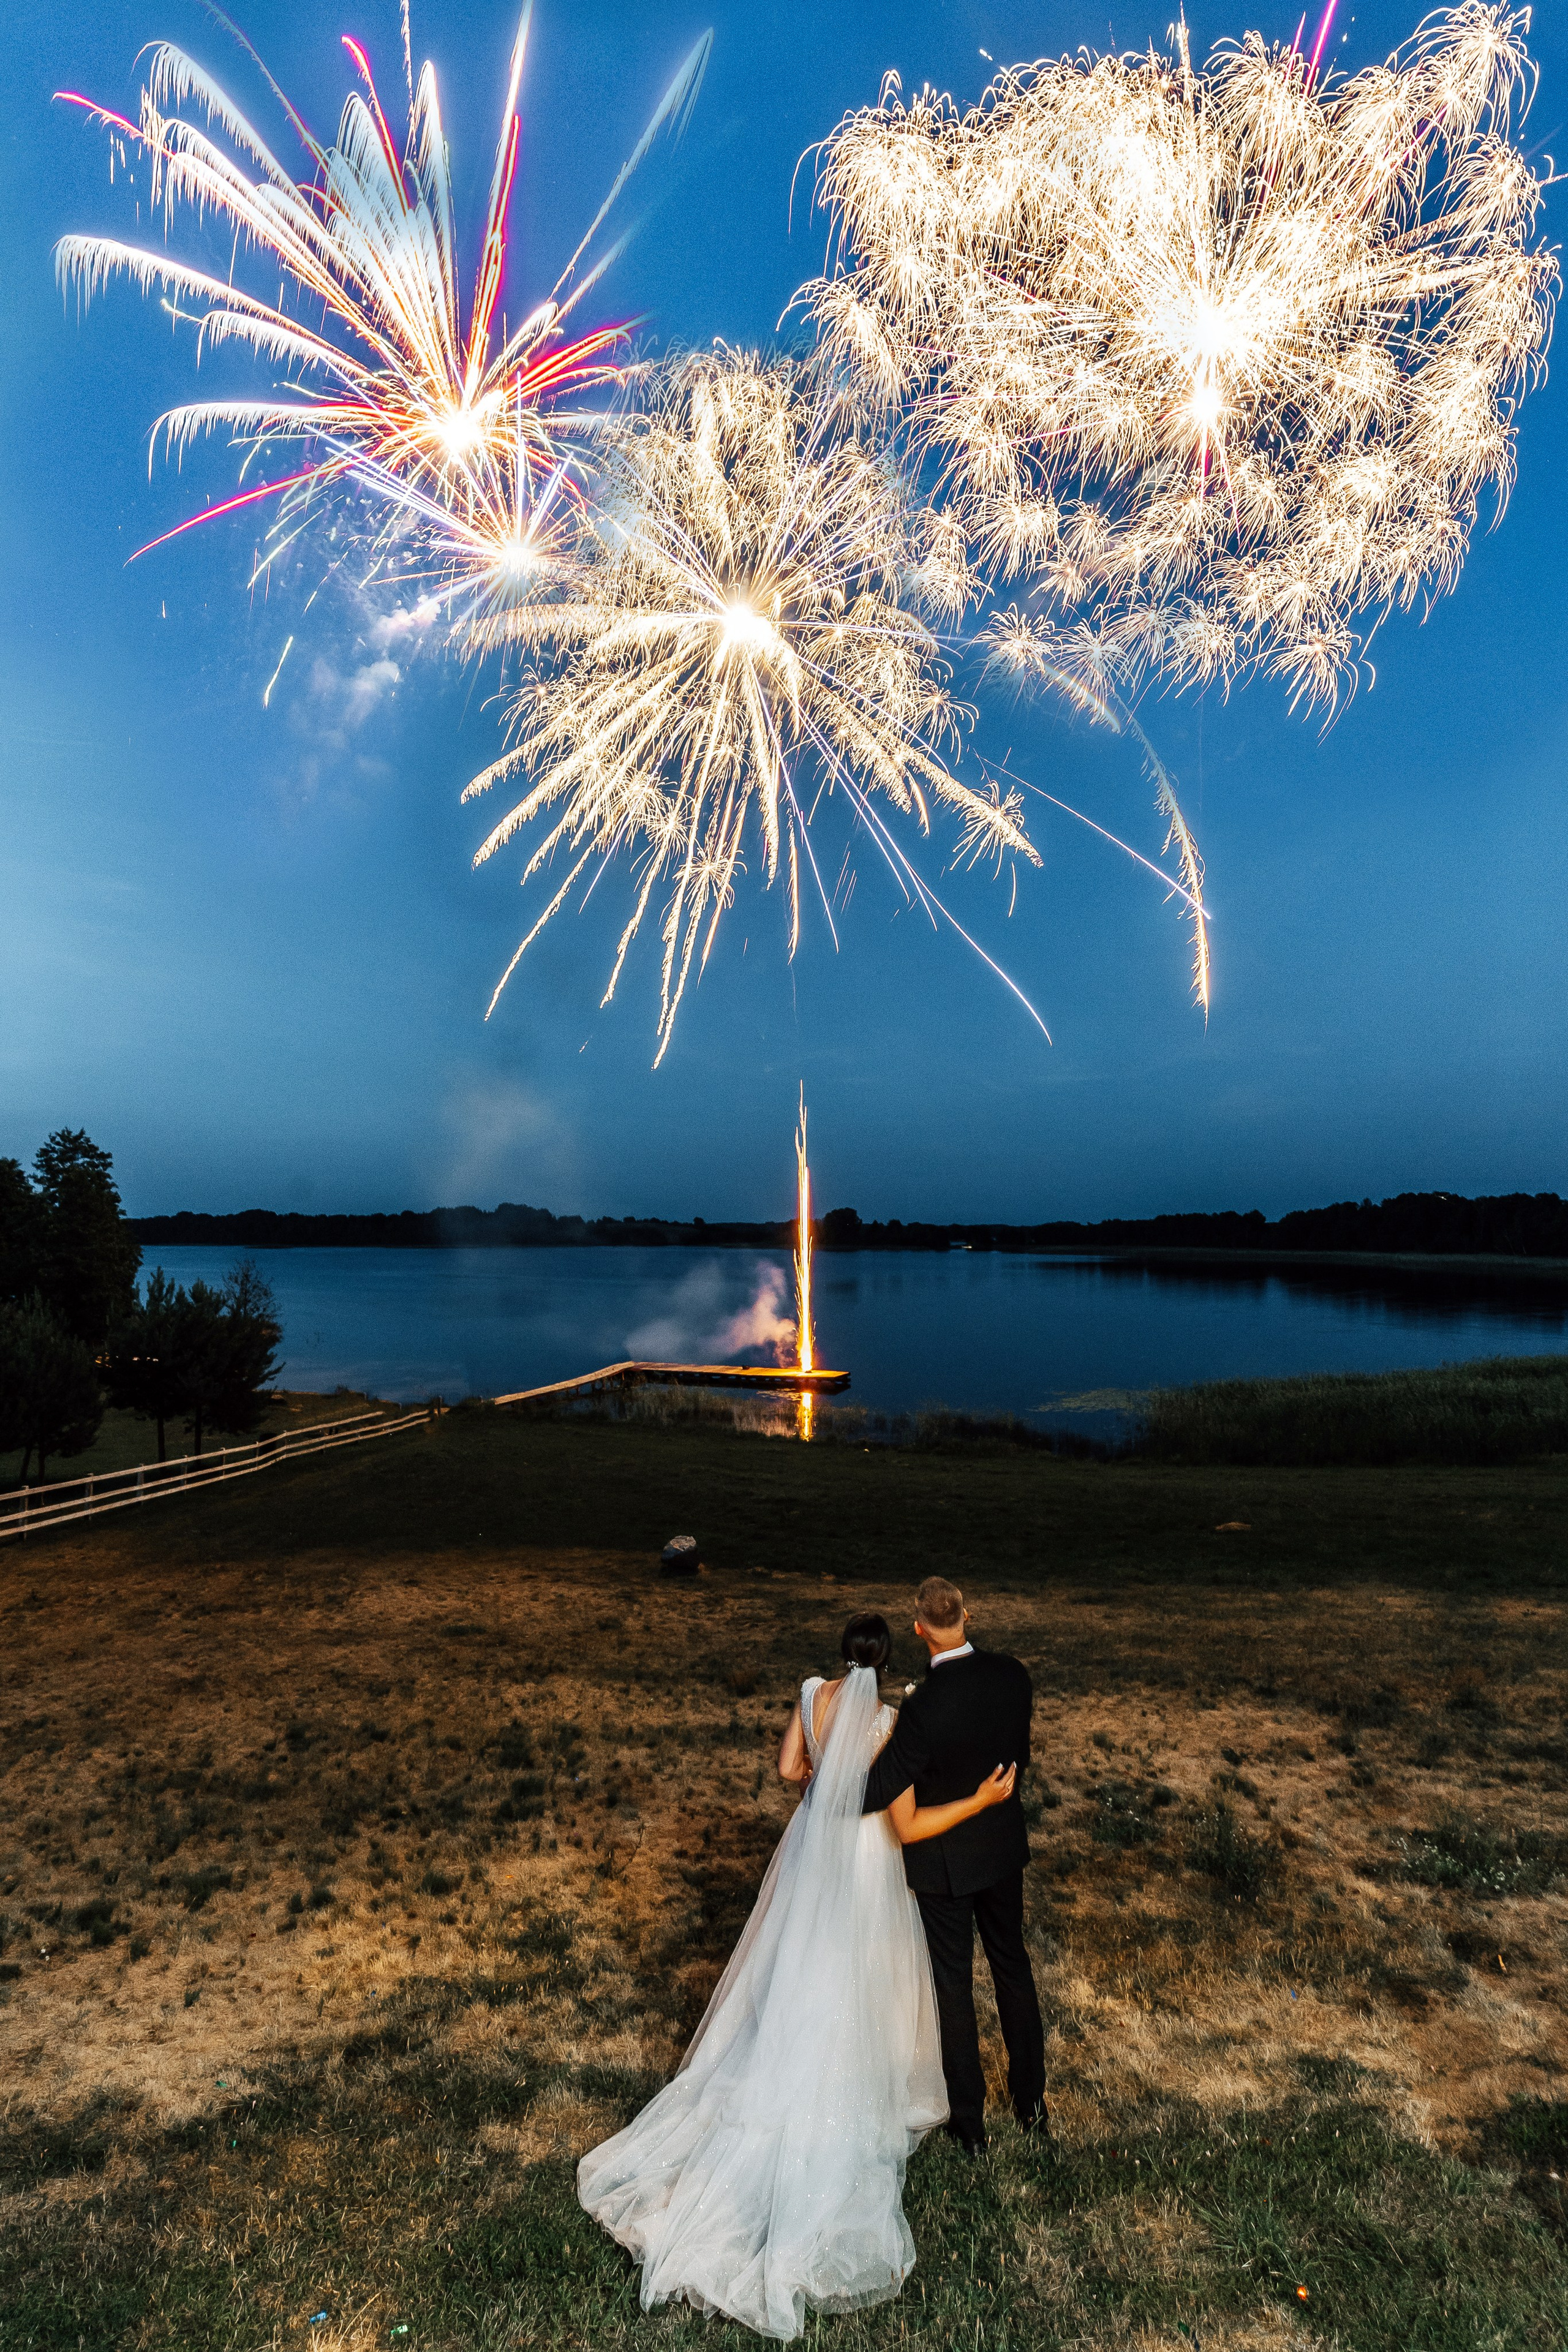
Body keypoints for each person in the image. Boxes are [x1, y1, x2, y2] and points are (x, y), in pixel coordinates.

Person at [576, 1610, 1017, 2342]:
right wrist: (976, 1800)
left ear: (843, 1655)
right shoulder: (887, 1721)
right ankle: (851, 2076)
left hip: (812, 1843)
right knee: (860, 1968)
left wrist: (820, 1771)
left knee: (796, 1958)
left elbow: (789, 1770)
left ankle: (781, 2063)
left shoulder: (812, 1692)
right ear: (888, 1656)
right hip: (866, 1857)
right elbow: (903, 1823)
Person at [861, 1575, 1047, 2155]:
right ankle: (1033, 2103)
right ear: (967, 1616)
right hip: (1000, 1849)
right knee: (1012, 1967)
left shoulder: (924, 1707)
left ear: (919, 1629)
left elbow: (886, 1785)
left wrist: (837, 1777)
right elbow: (1019, 1760)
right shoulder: (1014, 1675)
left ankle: (970, 2126)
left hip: (945, 1864)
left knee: (954, 1985)